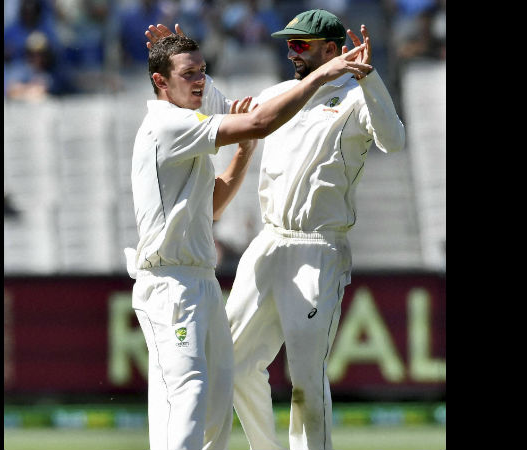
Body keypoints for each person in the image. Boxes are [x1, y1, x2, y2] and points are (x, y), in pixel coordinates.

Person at [145, 8, 405, 450]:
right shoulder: (286, 91)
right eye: (289, 43)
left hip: (316, 249)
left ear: (332, 49)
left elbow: (393, 140)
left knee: (306, 378)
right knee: (232, 363)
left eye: (300, 44)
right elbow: (230, 112)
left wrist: (369, 77)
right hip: (268, 243)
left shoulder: (359, 97)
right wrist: (179, 63)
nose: (290, 52)